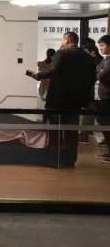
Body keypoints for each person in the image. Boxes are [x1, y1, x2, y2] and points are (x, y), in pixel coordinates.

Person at [28, 31, 97, 168]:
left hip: (58, 100)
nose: (62, 42)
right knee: (72, 130)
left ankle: (56, 159)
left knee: (55, 130)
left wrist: (38, 75)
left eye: (63, 40)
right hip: (76, 101)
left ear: (67, 40)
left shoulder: (62, 53)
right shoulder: (87, 57)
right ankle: (70, 160)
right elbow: (92, 78)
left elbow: (54, 72)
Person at [94, 35, 110, 163]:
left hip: (107, 97)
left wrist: (99, 72)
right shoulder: (105, 60)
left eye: (102, 45)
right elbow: (98, 72)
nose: (101, 48)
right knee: (103, 123)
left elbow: (101, 75)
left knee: (106, 123)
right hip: (103, 96)